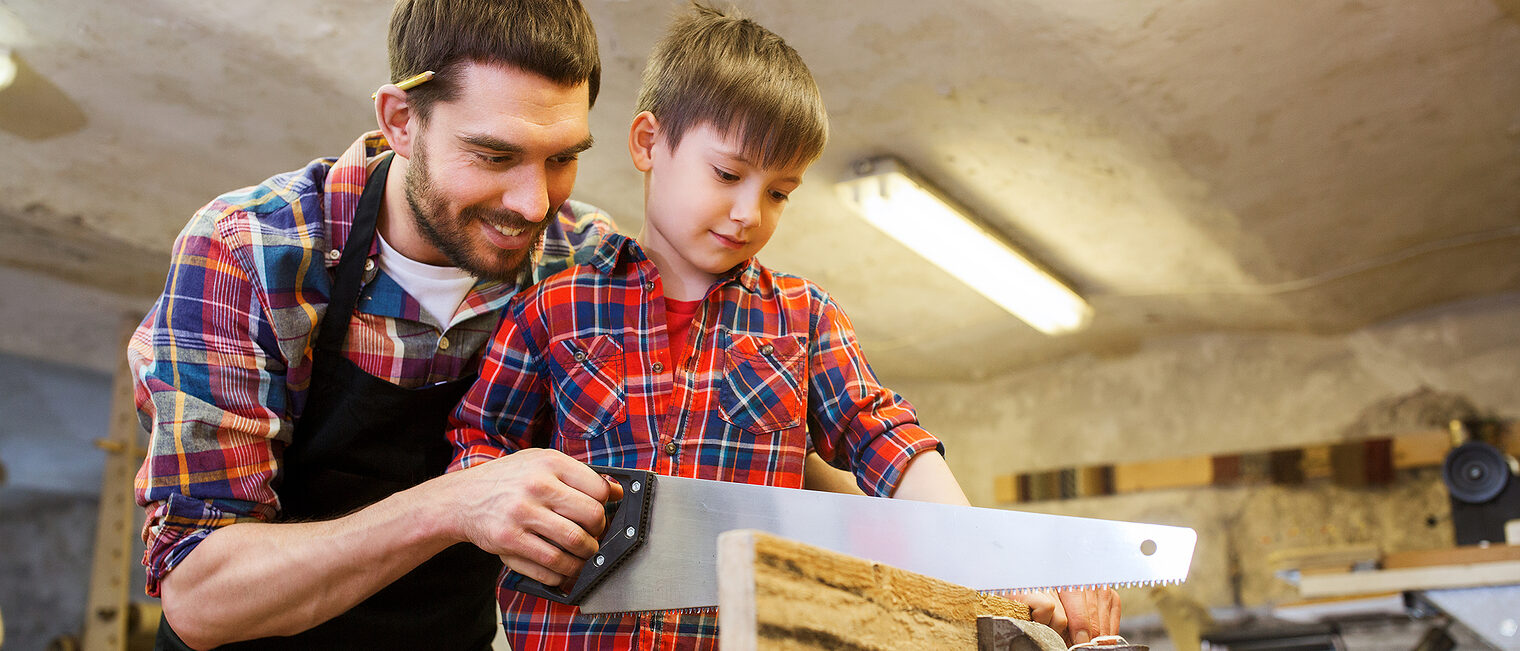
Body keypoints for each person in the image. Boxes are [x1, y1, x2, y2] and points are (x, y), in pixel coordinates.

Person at [445, 4, 1119, 648]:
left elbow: (886, 438)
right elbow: (479, 443)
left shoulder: (804, 321)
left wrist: (989, 555)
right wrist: (512, 515)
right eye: (728, 173)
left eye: (778, 193)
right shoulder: (555, 310)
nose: (748, 212)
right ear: (649, 142)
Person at [127, 1, 629, 648]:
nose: (533, 203)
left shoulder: (582, 262)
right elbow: (199, 595)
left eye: (561, 159)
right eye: (494, 156)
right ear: (400, 121)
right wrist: (454, 504)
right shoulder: (250, 251)